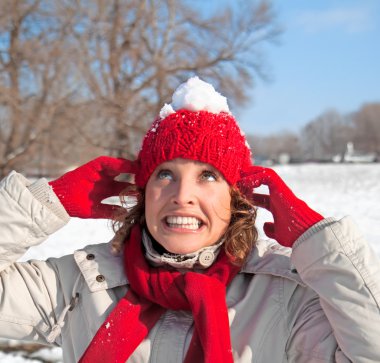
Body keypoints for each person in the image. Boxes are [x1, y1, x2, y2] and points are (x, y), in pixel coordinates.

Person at [0, 77, 379, 363]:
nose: (182, 195)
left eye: (208, 176)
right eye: (164, 174)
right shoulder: (83, 283)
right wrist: (44, 203)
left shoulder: (285, 297)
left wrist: (322, 243)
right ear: (143, 191)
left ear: (236, 198)